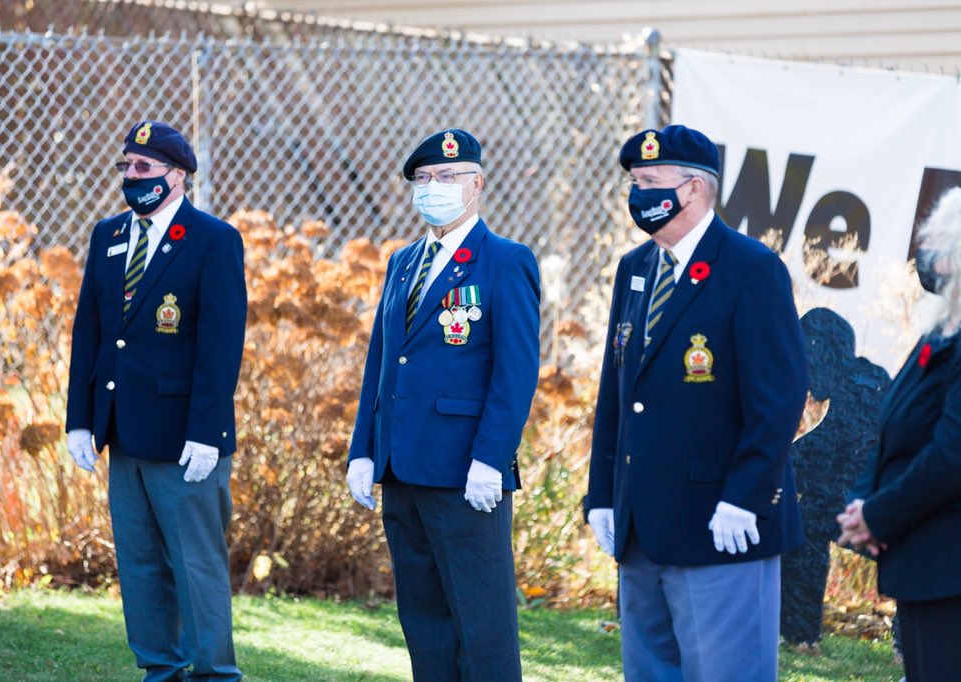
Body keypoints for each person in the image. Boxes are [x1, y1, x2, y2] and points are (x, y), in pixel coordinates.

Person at [584, 124, 808, 681]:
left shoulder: (750, 269)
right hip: (641, 524)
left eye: (651, 181)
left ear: (692, 189)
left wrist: (745, 497)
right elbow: (617, 395)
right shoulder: (636, 270)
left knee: (724, 671)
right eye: (634, 181)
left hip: (720, 521)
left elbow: (778, 400)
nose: (638, 194)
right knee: (650, 670)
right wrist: (602, 495)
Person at [345, 129, 540, 681]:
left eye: (449, 177)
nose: (435, 187)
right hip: (402, 467)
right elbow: (381, 365)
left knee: (484, 627)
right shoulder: (403, 262)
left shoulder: (505, 261)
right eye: (425, 179)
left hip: (465, 472)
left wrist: (491, 460)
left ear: (477, 183)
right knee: (425, 624)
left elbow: (515, 372)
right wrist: (364, 449)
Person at [66, 121, 247, 682]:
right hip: (124, 431)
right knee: (141, 563)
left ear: (177, 175)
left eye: (143, 168)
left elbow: (221, 345)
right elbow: (90, 333)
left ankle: (213, 673)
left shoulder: (213, 239)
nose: (131, 177)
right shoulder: (108, 235)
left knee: (196, 566)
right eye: (125, 166)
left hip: (184, 435)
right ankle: (160, 668)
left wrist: (207, 430)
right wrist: (80, 420)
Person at [838, 186, 961, 682]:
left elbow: (951, 456)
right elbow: (896, 425)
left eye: (936, 241)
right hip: (926, 564)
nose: (927, 254)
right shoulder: (942, 331)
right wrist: (864, 505)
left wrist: (879, 516)